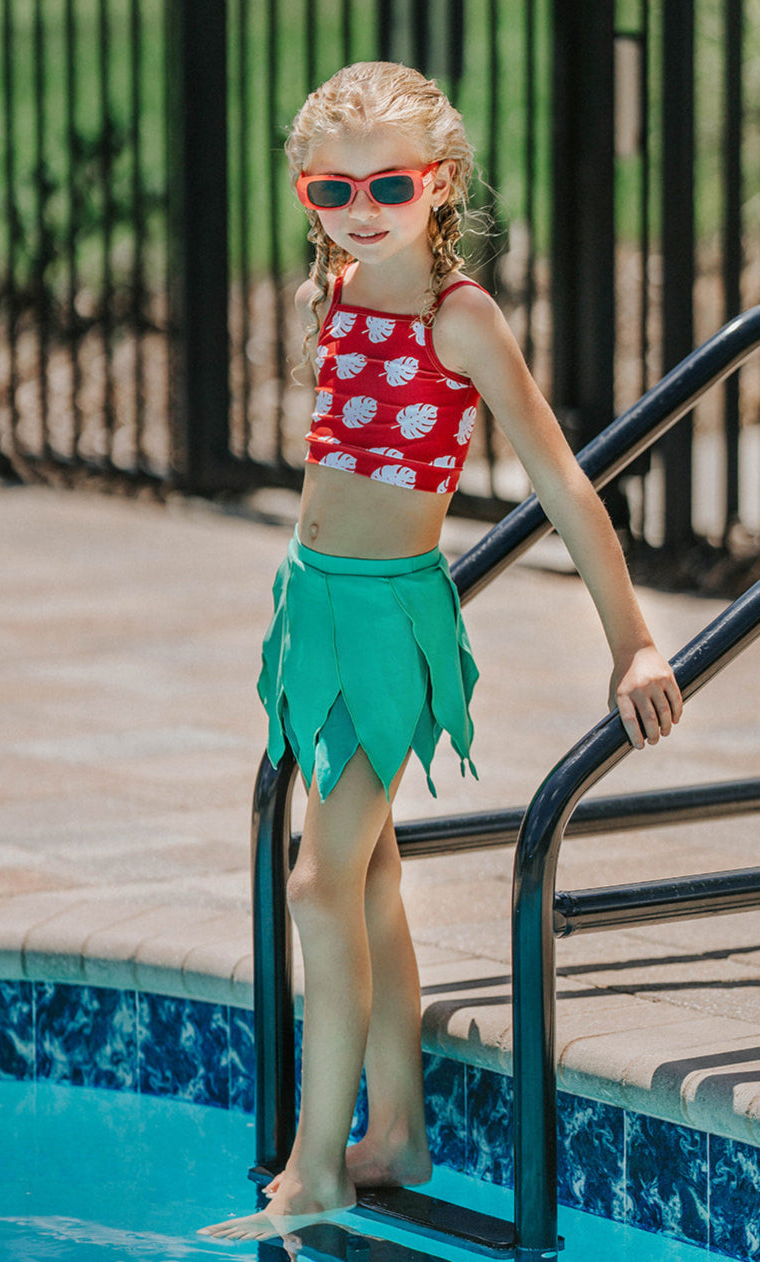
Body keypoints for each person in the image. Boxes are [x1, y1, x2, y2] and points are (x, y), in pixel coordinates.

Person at [200, 61, 682, 1245]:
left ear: (441, 182)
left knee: (318, 878)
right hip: (312, 607)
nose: (359, 208)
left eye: (389, 183)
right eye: (330, 188)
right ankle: (397, 1129)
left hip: (391, 623)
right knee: (364, 878)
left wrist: (631, 642)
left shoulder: (458, 318)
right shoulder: (341, 283)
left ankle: (316, 1169)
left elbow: (563, 483)